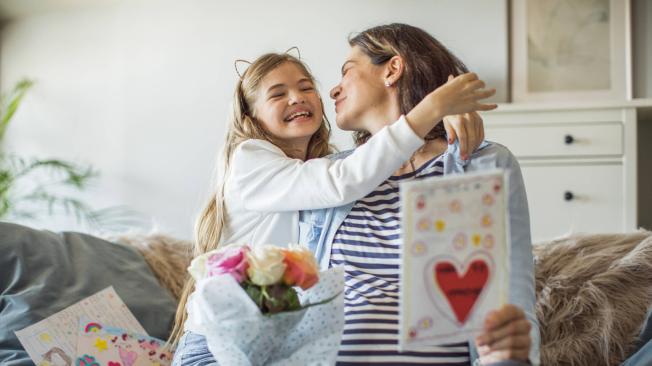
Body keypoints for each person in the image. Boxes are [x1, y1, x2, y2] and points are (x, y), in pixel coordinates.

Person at [170, 48, 496, 364]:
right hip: (217, 345)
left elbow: (356, 169)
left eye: (306, 87)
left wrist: (447, 121)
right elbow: (345, 179)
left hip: (269, 347)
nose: (296, 97)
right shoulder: (250, 160)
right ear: (251, 115)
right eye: (277, 94)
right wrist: (432, 109)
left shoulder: (317, 171)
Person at [298, 23, 539, 365]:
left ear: (392, 69)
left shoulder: (484, 164)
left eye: (347, 72)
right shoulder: (327, 176)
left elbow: (512, 303)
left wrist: (508, 356)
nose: (333, 90)